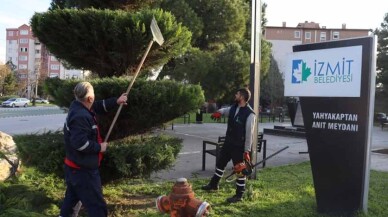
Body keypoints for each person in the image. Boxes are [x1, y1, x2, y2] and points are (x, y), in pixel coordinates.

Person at [59, 81, 127, 217]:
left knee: (71, 202)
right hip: (83, 171)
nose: (94, 98)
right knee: (97, 207)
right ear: (89, 98)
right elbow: (79, 143)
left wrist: (116, 101)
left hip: (74, 168)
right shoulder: (81, 116)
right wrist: (99, 147)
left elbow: (97, 106)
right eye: (93, 95)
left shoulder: (80, 107)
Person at [202, 87, 256, 203]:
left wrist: (246, 151)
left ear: (242, 97)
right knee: (221, 163)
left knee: (240, 171)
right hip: (228, 143)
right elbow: (225, 110)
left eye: (237, 94)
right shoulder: (234, 107)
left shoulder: (250, 114)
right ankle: (214, 184)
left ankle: (239, 195)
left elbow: (249, 135)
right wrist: (218, 112)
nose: (235, 96)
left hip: (239, 147)